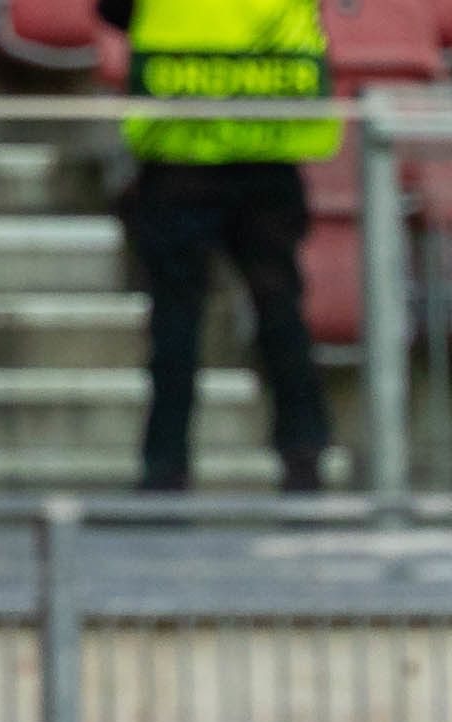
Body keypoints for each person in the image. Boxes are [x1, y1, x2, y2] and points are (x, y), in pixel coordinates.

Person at [101, 0, 336, 493]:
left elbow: (114, 12)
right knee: (279, 312)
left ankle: (164, 468)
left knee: (176, 322)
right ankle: (304, 453)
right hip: (265, 155)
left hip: (180, 163)